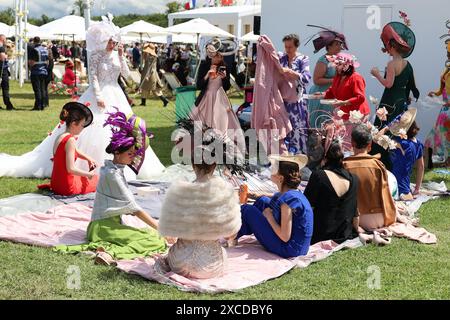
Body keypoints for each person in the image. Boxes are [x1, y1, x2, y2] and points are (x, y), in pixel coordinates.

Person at [0, 16, 165, 180]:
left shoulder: (116, 55)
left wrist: (121, 56)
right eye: (110, 41)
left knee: (121, 127)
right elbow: (93, 77)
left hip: (116, 93)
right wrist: (99, 96)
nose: (113, 44)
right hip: (97, 93)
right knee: (94, 126)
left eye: (114, 42)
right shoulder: (96, 56)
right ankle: (89, 163)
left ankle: (125, 163)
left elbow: (127, 75)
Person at [55, 110, 168, 265]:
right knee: (155, 241)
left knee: (153, 235)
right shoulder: (113, 174)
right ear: (117, 152)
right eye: (130, 154)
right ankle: (110, 253)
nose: (133, 157)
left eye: (134, 154)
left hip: (103, 226)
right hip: (102, 228)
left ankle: (107, 249)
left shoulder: (111, 168)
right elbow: (134, 209)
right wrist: (160, 228)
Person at [158, 140, 241, 279]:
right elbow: (230, 234)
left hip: (179, 262)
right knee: (223, 253)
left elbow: (168, 232)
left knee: (175, 251)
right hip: (210, 267)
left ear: (192, 165)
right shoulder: (225, 191)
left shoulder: (179, 191)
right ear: (214, 165)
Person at [236, 155, 313, 258]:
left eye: (274, 169)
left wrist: (269, 217)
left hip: (289, 249)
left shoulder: (287, 201)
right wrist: (257, 195)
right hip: (297, 246)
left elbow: (285, 237)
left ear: (280, 178)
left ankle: (232, 236)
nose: (271, 170)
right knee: (262, 201)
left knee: (247, 210)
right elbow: (277, 196)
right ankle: (238, 232)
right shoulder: (293, 193)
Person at [370, 20, 419, 170]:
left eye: (387, 47)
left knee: (382, 132)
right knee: (398, 131)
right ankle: (398, 162)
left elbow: (388, 84)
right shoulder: (407, 64)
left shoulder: (391, 64)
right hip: (401, 102)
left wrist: (377, 74)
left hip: (389, 102)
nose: (386, 50)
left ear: (392, 46)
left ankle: (382, 162)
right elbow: (409, 84)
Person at [343, 125, 397, 231]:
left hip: (357, 220)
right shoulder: (378, 165)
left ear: (352, 143)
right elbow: (386, 194)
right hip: (382, 217)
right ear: (370, 144)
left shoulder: (344, 165)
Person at [304, 140, 359, 244]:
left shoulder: (318, 176)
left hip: (320, 235)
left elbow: (307, 206)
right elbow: (355, 212)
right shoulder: (354, 179)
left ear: (324, 157)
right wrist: (357, 230)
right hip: (345, 234)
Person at [38, 102, 98, 196]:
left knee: (88, 179)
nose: (83, 128)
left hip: (56, 183)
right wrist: (89, 174)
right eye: (82, 125)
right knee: (96, 180)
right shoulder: (71, 140)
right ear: (74, 123)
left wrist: (88, 158)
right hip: (66, 187)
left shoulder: (60, 136)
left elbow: (74, 151)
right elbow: (71, 169)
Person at [190, 40, 243, 140]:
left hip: (220, 98)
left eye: (217, 55)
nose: (214, 57)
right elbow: (199, 85)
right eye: (210, 53)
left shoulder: (224, 67)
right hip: (206, 97)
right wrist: (206, 75)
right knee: (201, 119)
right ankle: (202, 139)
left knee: (220, 119)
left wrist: (224, 78)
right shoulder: (204, 65)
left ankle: (219, 139)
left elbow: (226, 87)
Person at [313, 53, 370, 145]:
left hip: (356, 115)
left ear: (347, 65)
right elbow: (332, 91)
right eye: (336, 64)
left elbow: (360, 97)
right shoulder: (338, 77)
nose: (336, 67)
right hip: (343, 113)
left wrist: (343, 103)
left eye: (339, 64)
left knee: (349, 141)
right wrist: (322, 94)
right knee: (338, 139)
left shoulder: (356, 78)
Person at [306, 26, 347, 128]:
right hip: (320, 96)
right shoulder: (323, 60)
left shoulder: (340, 59)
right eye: (337, 44)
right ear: (329, 46)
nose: (339, 46)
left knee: (330, 125)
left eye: (340, 44)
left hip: (332, 96)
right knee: (319, 125)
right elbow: (316, 80)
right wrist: (335, 80)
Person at [278, 34, 312, 155]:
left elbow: (307, 78)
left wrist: (293, 73)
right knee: (283, 130)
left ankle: (299, 158)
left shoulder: (303, 59)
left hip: (297, 103)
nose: (287, 49)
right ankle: (284, 157)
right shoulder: (281, 58)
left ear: (296, 46)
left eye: (290, 47)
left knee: (298, 130)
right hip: (282, 101)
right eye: (286, 47)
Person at [425, 32, 450, 165]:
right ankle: (438, 160)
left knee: (444, 137)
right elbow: (442, 90)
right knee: (438, 136)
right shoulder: (446, 70)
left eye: (448, 52)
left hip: (447, 111)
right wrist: (435, 93)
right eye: (447, 52)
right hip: (445, 111)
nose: (447, 55)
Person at [389, 109, 424, 200]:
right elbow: (421, 166)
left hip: (397, 180)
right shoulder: (418, 144)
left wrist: (387, 127)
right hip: (405, 181)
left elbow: (378, 138)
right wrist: (417, 188)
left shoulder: (402, 143)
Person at [139, 43, 169, 107]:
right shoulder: (149, 56)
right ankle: (143, 102)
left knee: (154, 89)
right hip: (147, 74)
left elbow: (151, 68)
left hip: (150, 75)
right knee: (145, 88)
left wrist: (148, 76)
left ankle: (164, 100)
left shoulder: (152, 58)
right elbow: (144, 58)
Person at [28, 36, 49, 111]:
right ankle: (43, 104)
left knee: (37, 89)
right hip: (44, 71)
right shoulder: (45, 50)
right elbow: (47, 62)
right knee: (43, 89)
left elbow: (31, 62)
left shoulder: (34, 50)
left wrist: (29, 66)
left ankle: (38, 106)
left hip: (36, 71)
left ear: (34, 41)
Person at [0, 34, 15, 110]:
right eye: (5, 39)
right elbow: (2, 58)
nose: (6, 41)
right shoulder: (1, 47)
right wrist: (6, 56)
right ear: (2, 39)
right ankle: (8, 105)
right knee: (5, 88)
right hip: (2, 70)